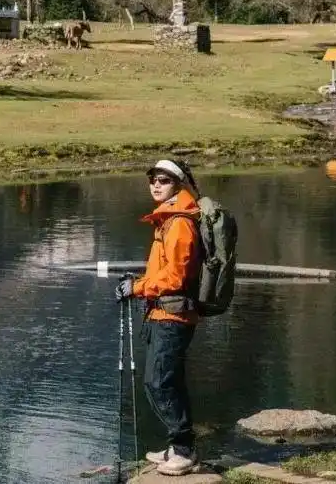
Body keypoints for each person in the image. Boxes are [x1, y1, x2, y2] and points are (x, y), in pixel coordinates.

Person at [115, 159, 201, 477]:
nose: (155, 185)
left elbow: (176, 278)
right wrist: (139, 284)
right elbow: (163, 272)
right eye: (152, 178)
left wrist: (135, 288)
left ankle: (184, 450)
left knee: (159, 382)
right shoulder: (167, 220)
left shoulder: (178, 223)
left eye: (163, 180)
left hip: (173, 317)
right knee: (169, 381)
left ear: (177, 185)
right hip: (164, 312)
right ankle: (177, 446)